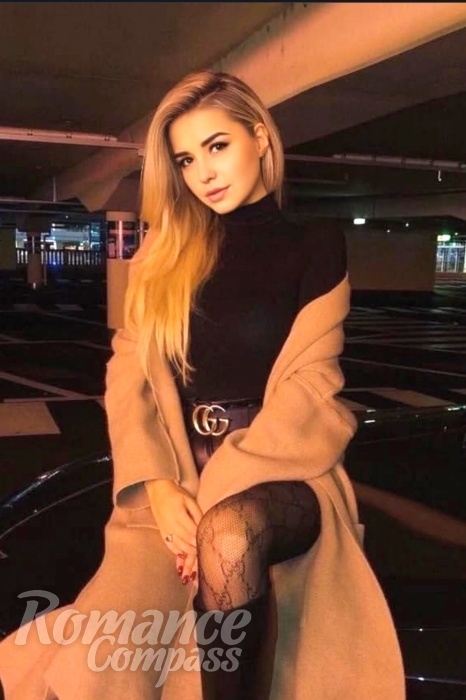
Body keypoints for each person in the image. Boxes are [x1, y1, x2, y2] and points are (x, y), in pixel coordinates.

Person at [0, 70, 405, 700]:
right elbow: (128, 377)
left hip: (280, 467)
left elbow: (311, 385)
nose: (203, 173)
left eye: (217, 146)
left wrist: (214, 497)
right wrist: (159, 487)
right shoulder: (161, 256)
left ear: (259, 138)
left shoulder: (315, 244)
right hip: (174, 479)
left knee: (229, 534)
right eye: (187, 160)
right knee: (103, 659)